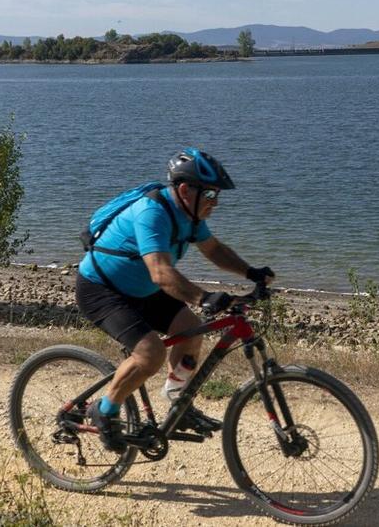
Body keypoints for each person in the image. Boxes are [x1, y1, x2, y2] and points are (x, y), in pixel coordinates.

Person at [76, 148, 275, 452]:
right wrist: (203, 296)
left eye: (217, 195)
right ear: (185, 190)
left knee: (190, 334)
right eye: (210, 195)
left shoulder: (190, 215)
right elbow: (160, 272)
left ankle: (177, 404)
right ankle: (103, 410)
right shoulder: (151, 212)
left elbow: (213, 249)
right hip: (102, 289)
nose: (215, 203)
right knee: (150, 353)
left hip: (142, 288)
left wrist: (250, 272)